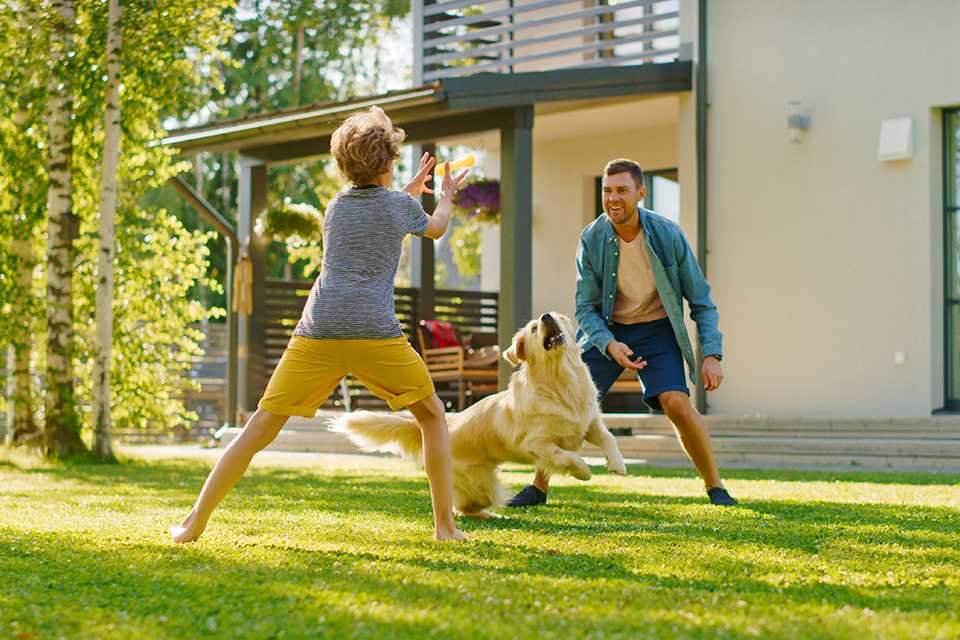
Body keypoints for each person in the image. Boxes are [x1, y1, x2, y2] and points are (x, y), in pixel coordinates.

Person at [170, 106, 470, 543]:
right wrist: (443, 194)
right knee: (432, 416)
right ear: (387, 162)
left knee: (261, 425)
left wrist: (406, 190)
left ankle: (193, 523)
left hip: (319, 331)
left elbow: (380, 213)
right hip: (374, 334)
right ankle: (445, 528)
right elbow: (435, 227)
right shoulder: (400, 206)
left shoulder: (335, 208)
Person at [507, 158, 738, 508]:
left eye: (622, 191)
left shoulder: (667, 234)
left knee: (676, 404)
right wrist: (609, 344)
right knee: (565, 399)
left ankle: (716, 487)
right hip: (608, 330)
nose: (613, 198)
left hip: (658, 330)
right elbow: (585, 307)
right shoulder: (592, 238)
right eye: (607, 190)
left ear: (640, 193)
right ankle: (538, 488)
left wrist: (712, 355)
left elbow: (701, 300)